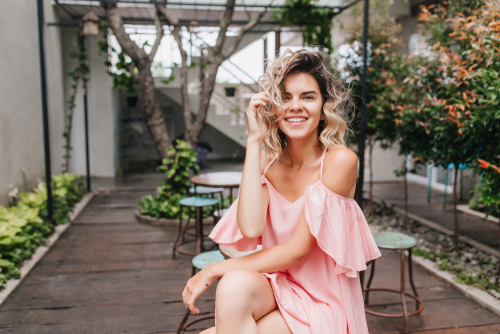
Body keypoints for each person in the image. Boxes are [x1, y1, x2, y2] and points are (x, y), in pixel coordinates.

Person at [181, 49, 382, 334]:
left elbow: (296, 252)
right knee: (233, 286)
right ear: (272, 106)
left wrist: (212, 268)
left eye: (307, 97)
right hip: (279, 287)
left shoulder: (339, 161)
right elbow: (250, 228)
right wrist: (254, 140)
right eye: (285, 98)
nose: (295, 106)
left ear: (324, 105)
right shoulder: (267, 162)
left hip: (322, 302)